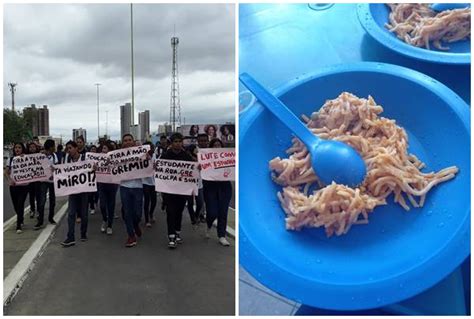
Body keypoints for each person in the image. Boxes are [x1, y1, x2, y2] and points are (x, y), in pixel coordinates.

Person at [161, 132, 196, 249]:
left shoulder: (186, 156)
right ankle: (171, 236)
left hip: (182, 190)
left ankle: (177, 231)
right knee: (170, 211)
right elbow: (159, 170)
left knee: (179, 211)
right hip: (168, 190)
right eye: (175, 141)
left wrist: (198, 166)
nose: (178, 144)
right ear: (172, 143)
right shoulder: (166, 155)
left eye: (180, 141)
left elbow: (193, 171)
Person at [203, 138, 232, 246]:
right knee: (212, 212)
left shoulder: (227, 157)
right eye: (214, 145)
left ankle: (221, 236)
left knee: (223, 212)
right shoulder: (206, 158)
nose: (217, 147)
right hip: (210, 186)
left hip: (224, 187)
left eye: (219, 145)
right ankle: (209, 223)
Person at [61, 141, 89, 247]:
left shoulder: (85, 158)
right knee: (71, 213)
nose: (69, 150)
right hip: (72, 190)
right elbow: (63, 172)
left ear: (76, 148)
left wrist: (93, 169)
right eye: (67, 148)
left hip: (83, 190)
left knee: (84, 214)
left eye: (70, 148)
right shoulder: (67, 159)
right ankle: (70, 237)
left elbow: (91, 169)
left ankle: (83, 233)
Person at [120, 134, 144, 248]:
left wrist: (148, 161)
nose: (127, 142)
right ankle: (131, 236)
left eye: (130, 140)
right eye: (125, 140)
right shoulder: (117, 156)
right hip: (124, 187)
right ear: (122, 143)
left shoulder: (141, 154)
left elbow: (148, 167)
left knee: (138, 213)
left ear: (133, 142)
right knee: (127, 212)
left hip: (138, 186)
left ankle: (135, 225)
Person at [5, 142, 29, 233]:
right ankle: (21, 218)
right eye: (16, 148)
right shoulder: (10, 160)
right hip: (14, 186)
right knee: (16, 206)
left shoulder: (27, 159)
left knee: (20, 204)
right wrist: (9, 180)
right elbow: (6, 172)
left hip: (24, 186)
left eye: (19, 147)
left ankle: (18, 225)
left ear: (22, 149)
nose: (17, 149)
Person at [35, 139, 58, 229]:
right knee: (42, 201)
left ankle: (51, 218)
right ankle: (40, 220)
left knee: (52, 201)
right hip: (43, 181)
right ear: (51, 147)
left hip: (52, 181)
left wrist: (53, 168)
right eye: (53, 146)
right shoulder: (40, 155)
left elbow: (56, 166)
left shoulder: (54, 156)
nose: (54, 148)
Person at [98, 142, 118, 235]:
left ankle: (110, 225)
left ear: (109, 150)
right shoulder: (98, 157)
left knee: (111, 205)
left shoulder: (115, 157)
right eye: (102, 148)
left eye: (105, 148)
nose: (103, 150)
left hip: (112, 184)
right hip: (102, 184)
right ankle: (104, 219)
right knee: (102, 205)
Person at [142, 142, 157, 228]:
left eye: (151, 147)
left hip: (153, 182)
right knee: (147, 200)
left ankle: (151, 213)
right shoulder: (141, 156)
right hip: (145, 182)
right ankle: (147, 219)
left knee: (154, 201)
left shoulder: (154, 155)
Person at [27, 142, 41, 220]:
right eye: (30, 147)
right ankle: (32, 209)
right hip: (30, 180)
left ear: (36, 148)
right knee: (31, 196)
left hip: (37, 179)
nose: (32, 148)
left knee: (38, 196)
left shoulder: (39, 156)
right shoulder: (26, 157)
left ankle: (38, 210)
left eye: (33, 147)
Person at [87, 145, 99, 215]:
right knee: (90, 195)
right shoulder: (87, 158)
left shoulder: (99, 158)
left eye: (94, 149)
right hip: (90, 178)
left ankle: (96, 201)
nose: (93, 150)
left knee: (97, 193)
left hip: (98, 178)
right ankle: (92, 207)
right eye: (92, 149)